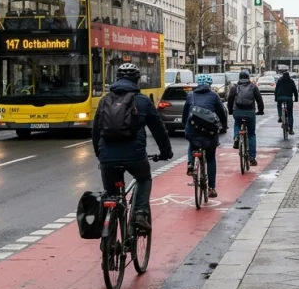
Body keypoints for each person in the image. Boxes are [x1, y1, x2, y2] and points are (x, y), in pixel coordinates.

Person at [92, 63, 173, 232]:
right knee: (143, 179)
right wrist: (166, 152)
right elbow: (158, 129)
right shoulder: (143, 100)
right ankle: (140, 213)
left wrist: (100, 154)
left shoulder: (105, 100)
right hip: (135, 156)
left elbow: (96, 131)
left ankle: (108, 234)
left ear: (117, 80)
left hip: (107, 157)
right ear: (137, 81)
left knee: (111, 194)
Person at [183, 73, 227, 198]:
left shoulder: (191, 95)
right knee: (211, 158)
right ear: (210, 84)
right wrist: (223, 126)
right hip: (209, 132)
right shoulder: (214, 95)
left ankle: (191, 163)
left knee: (192, 143)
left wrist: (186, 125)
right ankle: (212, 188)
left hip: (193, 129)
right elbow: (221, 113)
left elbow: (185, 114)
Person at [228, 70, 264, 165]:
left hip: (237, 111)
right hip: (250, 112)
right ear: (248, 78)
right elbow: (259, 100)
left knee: (237, 123)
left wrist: (230, 111)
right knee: (251, 134)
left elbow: (230, 100)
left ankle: (236, 137)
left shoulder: (234, 87)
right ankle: (252, 157)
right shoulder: (253, 87)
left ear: (239, 78)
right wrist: (260, 111)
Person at [274, 70, 299, 135]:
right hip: (289, 98)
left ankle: (280, 116)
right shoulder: (291, 81)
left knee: (279, 105)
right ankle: (291, 129)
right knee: (290, 114)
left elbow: (276, 90)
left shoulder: (279, 81)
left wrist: (276, 98)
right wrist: (296, 99)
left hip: (280, 97)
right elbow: (295, 90)